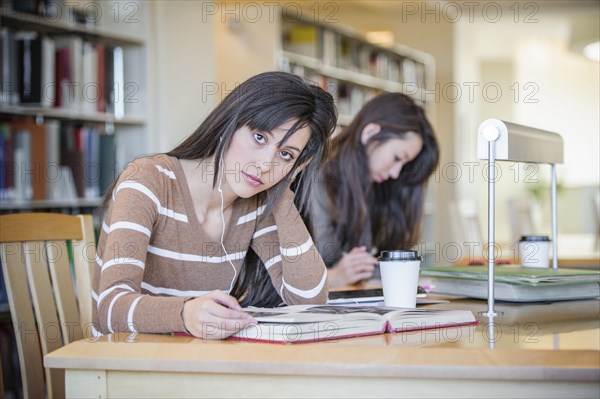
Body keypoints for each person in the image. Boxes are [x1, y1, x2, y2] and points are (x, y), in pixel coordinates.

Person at [92, 71, 337, 340]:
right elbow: (110, 309)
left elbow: (309, 300)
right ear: (231, 122)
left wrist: (284, 195)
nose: (265, 165)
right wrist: (185, 314)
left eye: (286, 154)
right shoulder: (148, 180)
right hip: (128, 364)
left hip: (201, 364)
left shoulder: (255, 202)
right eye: (259, 138)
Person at [308, 92, 439, 288]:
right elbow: (281, 276)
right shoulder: (315, 177)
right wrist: (334, 276)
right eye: (397, 157)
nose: (396, 173)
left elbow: (364, 265)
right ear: (370, 133)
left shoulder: (370, 187)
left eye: (404, 164)